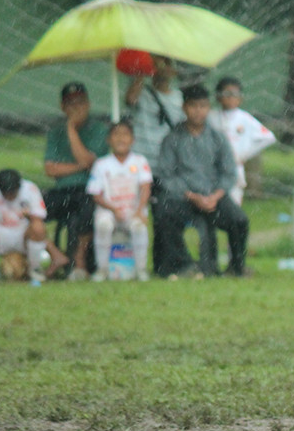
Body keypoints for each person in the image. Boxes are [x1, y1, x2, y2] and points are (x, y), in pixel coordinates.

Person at [157, 84, 249, 278]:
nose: (198, 111)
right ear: (184, 108)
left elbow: (229, 172)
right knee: (164, 213)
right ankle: (182, 265)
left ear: (209, 108)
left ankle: (236, 268)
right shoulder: (172, 139)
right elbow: (166, 175)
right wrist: (191, 196)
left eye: (203, 106)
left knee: (239, 220)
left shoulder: (218, 138)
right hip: (184, 197)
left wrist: (215, 196)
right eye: (193, 106)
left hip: (213, 196)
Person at [43, 81, 109, 280]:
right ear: (63, 107)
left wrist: (71, 130)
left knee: (85, 209)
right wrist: (81, 165)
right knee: (31, 210)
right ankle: (56, 255)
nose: (76, 108)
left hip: (87, 189)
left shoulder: (99, 130)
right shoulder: (55, 132)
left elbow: (90, 162)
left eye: (80, 102)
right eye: (70, 104)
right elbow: (50, 169)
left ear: (88, 104)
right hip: (62, 191)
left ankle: (79, 260)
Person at [124, 55, 184, 275]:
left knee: (163, 215)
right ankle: (128, 264)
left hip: (165, 166)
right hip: (140, 165)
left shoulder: (179, 99)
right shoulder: (144, 93)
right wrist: (143, 72)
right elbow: (130, 99)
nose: (162, 69)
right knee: (131, 213)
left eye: (167, 64)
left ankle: (162, 265)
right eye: (158, 64)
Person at [0, 169, 68, 282]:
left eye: (12, 193)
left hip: (22, 233)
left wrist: (28, 214)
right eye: (6, 194)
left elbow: (40, 216)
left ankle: (35, 269)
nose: (9, 197)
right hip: (0, 233)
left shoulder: (30, 189)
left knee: (38, 227)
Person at [85, 121, 153, 282]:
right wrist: (113, 209)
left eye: (125, 135)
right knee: (103, 225)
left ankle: (141, 270)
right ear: (109, 140)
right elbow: (96, 195)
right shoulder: (101, 164)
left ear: (133, 140)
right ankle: (102, 270)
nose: (121, 139)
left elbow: (145, 188)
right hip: (109, 210)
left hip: (133, 209)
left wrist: (139, 210)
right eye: (116, 134)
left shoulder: (139, 161)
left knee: (139, 227)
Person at [208, 76, 277, 208]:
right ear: (218, 96)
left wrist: (245, 154)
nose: (231, 98)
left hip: (234, 165)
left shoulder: (245, 118)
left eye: (235, 94)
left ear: (241, 98)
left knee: (234, 199)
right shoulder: (211, 117)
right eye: (227, 94)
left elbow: (268, 137)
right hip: (213, 166)